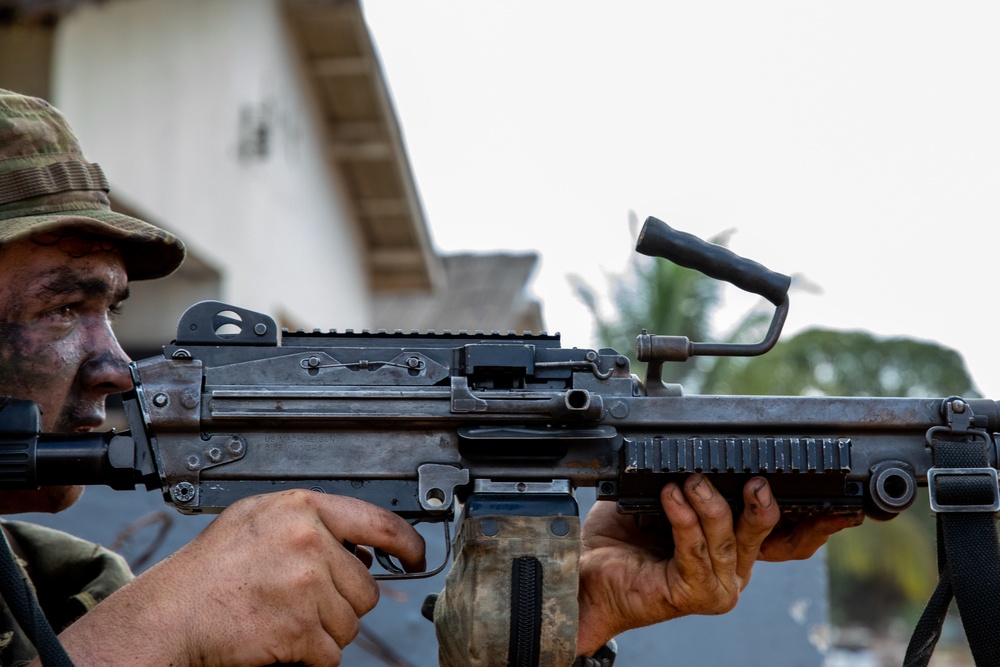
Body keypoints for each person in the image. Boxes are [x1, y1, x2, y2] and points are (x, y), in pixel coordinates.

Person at [0, 88, 859, 666]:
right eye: (60, 308)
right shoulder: (110, 614)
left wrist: (573, 617)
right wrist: (152, 633)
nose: (118, 363)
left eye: (110, 307)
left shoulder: (66, 588)